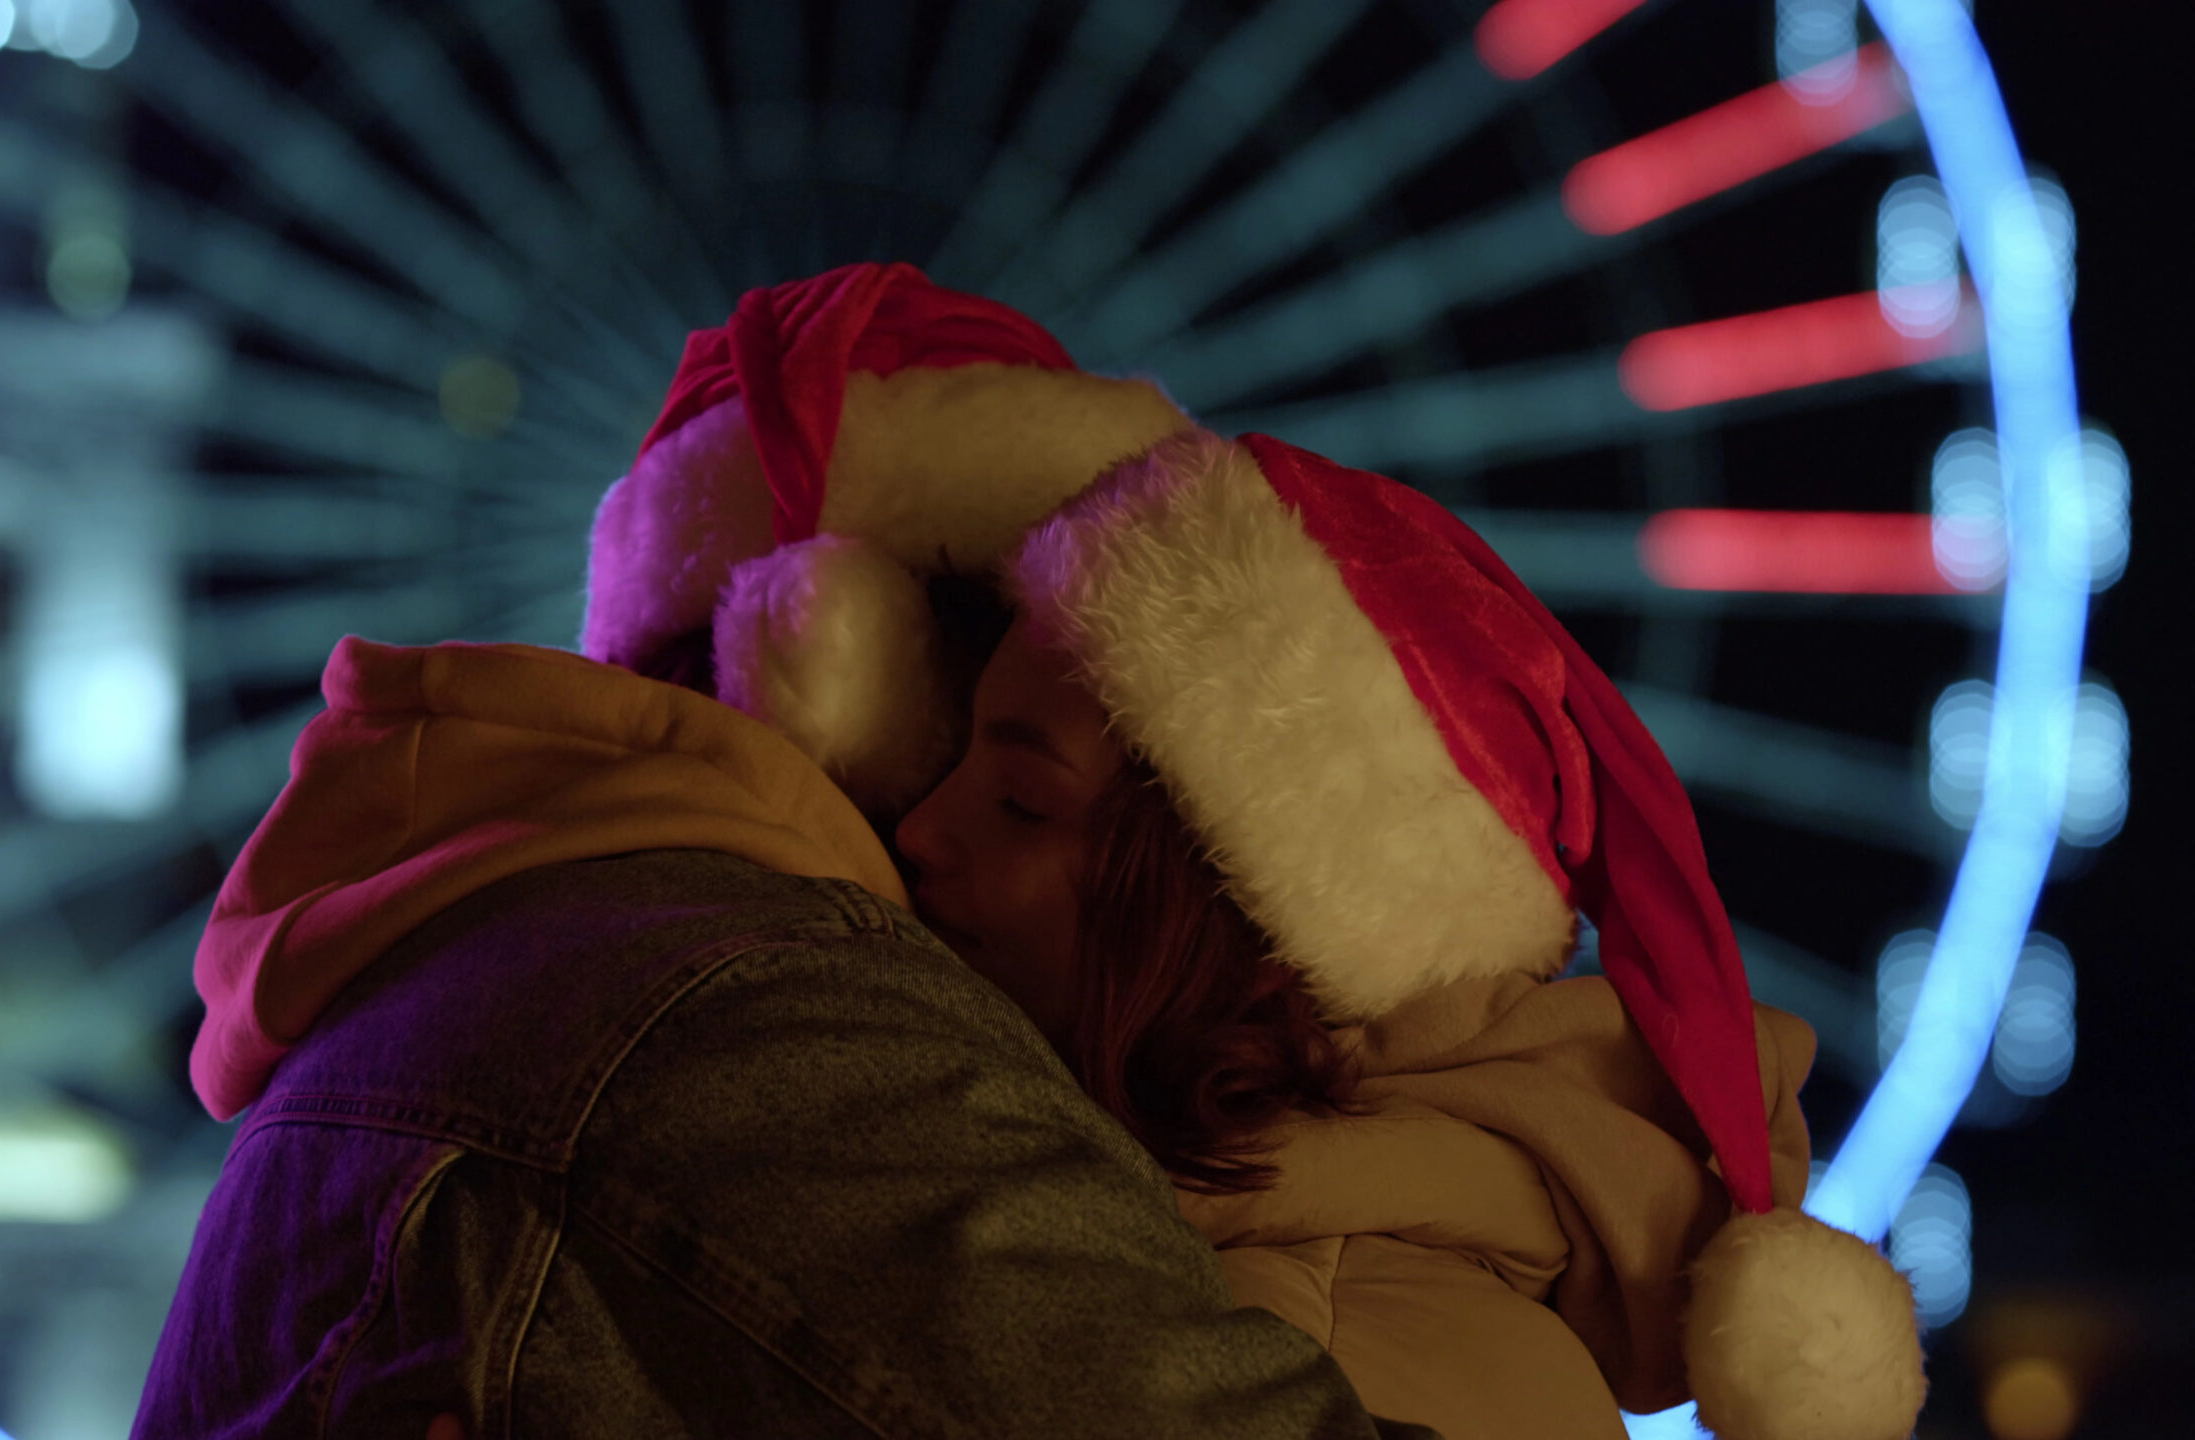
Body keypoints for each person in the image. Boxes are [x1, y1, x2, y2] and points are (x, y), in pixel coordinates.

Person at [131, 266, 1436, 1439]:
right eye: (1011, 735)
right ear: (846, 667)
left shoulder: (471, 948)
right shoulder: (769, 1008)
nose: (948, 824)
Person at [878, 429, 1933, 1440]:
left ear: (1241, 919)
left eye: (1021, 801)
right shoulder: (1214, 1271)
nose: (917, 831)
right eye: (951, 760)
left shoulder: (1280, 1346)